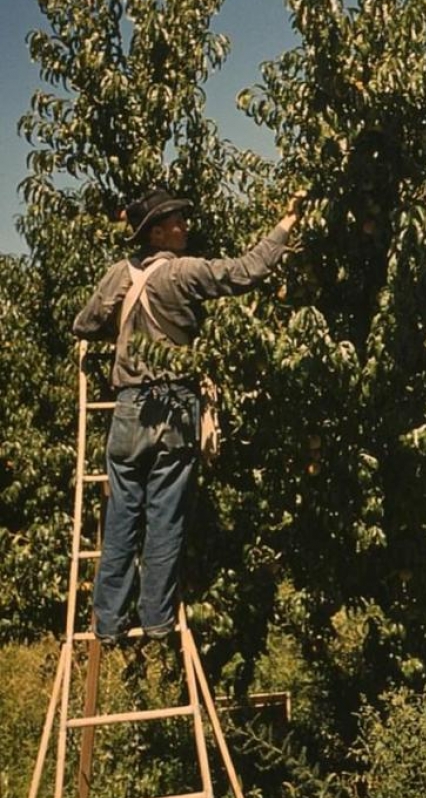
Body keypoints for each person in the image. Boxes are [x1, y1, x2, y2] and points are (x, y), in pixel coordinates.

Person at [73, 187, 303, 645]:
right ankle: (157, 622)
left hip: (129, 408)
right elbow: (245, 272)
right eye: (176, 221)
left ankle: (109, 624)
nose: (184, 227)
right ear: (156, 232)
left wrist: (125, 335)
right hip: (174, 405)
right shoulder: (185, 272)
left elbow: (84, 325)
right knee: (165, 518)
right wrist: (287, 224)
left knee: (121, 516)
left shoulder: (120, 274)